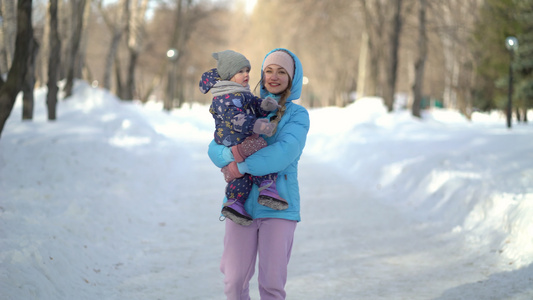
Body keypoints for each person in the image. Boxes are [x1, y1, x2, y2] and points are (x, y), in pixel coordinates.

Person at [207, 48, 309, 300]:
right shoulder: (240, 104)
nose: (274, 77)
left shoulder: (297, 115)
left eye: (282, 72)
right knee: (234, 281)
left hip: (279, 206)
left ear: (292, 78)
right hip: (239, 204)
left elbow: (282, 155)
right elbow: (214, 148)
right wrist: (234, 155)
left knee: (272, 284)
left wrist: (238, 167)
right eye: (269, 71)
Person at [200, 50, 289, 227]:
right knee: (260, 147)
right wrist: (254, 125)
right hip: (233, 137)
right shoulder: (224, 97)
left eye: (247, 70)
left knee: (242, 178)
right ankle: (267, 187)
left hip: (239, 136)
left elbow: (253, 105)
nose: (246, 74)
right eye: (240, 71)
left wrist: (264, 106)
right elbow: (235, 118)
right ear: (229, 75)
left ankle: (234, 202)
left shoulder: (240, 92)